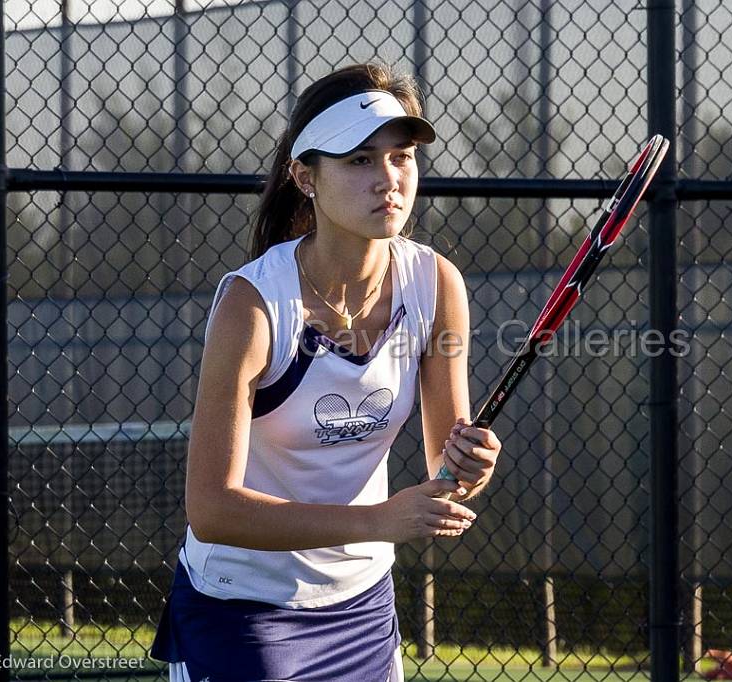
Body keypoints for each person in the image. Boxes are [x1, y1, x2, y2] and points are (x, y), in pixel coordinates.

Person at [150, 62, 502, 682]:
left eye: (401, 157)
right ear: (305, 177)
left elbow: (446, 477)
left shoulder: (436, 283)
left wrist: (467, 469)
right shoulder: (252, 305)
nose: (388, 180)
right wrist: (379, 521)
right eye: (359, 161)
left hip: (363, 607)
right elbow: (211, 509)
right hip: (243, 610)